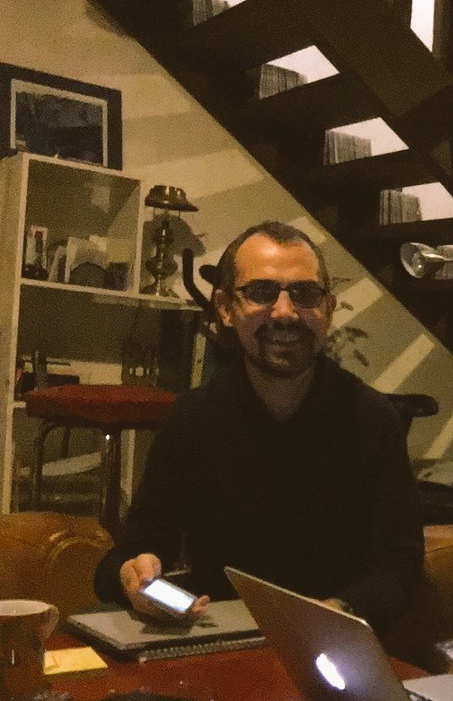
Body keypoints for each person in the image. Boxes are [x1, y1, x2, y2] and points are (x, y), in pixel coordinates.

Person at [93, 221, 424, 635]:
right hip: (216, 637)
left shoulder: (372, 420)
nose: (285, 312)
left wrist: (331, 613)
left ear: (328, 309)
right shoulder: (193, 419)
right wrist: (133, 576)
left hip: (334, 641)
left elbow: (400, 567)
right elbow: (134, 551)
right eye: (262, 293)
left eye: (305, 294)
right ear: (225, 308)